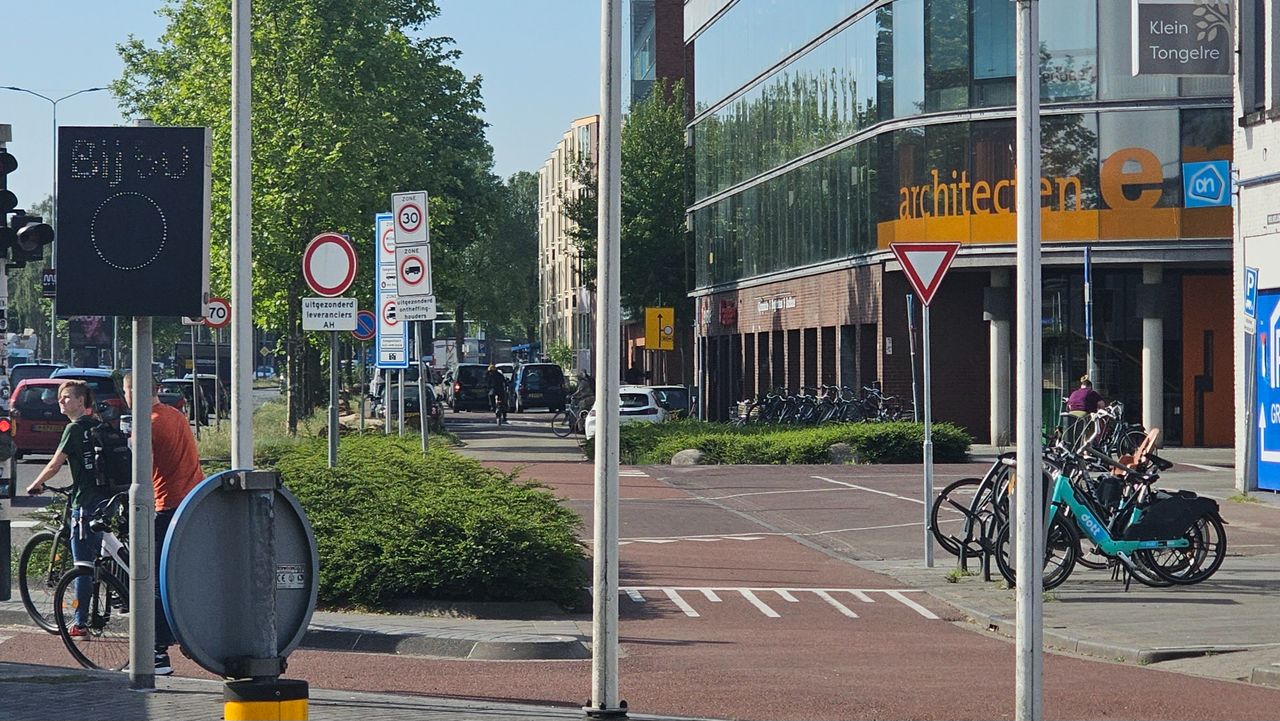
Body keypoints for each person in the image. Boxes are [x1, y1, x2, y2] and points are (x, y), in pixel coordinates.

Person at [123, 372, 203, 677]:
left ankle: (156, 651)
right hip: (191, 501)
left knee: (153, 579)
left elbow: (137, 471)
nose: (126, 396)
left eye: (128, 389)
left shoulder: (148, 425)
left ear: (138, 391)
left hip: (165, 504)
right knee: (177, 575)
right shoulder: (176, 415)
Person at [25, 381, 109, 643]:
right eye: (60, 398)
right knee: (99, 557)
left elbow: (54, 464)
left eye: (67, 397)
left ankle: (80, 622)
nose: (61, 401)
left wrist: (35, 485)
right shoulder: (98, 424)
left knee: (82, 564)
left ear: (82, 401)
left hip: (85, 503)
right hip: (108, 499)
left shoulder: (73, 429)